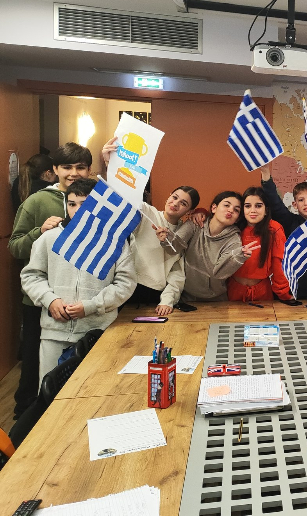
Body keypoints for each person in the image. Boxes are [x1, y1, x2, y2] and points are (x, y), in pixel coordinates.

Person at [20, 179, 136, 384]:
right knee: (50, 393)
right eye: (72, 204)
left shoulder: (115, 242)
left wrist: (92, 306)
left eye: (85, 204)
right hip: (54, 332)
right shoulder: (49, 238)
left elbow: (125, 282)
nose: (77, 210)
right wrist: (50, 300)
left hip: (98, 331)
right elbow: (31, 275)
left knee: (94, 390)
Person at [8, 142, 92, 418]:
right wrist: (38, 232)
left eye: (80, 167)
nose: (74, 173)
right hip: (41, 302)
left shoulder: (97, 201)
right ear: (54, 169)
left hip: (83, 306)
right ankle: (27, 422)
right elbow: (15, 246)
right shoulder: (37, 201)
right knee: (34, 368)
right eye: (67, 167)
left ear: (89, 170)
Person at [158, 191, 258, 302]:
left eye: (236, 210)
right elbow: (174, 248)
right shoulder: (195, 223)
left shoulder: (234, 240)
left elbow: (219, 273)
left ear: (237, 219)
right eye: (226, 205)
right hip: (185, 294)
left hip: (216, 298)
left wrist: (238, 256)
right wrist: (166, 238)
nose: (230, 210)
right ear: (214, 208)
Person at [260, 164, 307, 308]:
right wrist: (265, 174)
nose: (306, 203)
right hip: (290, 290)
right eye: (301, 200)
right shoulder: (290, 221)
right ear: (295, 204)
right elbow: (275, 202)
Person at [126, 186, 200, 315]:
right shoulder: (147, 212)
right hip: (128, 287)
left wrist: (167, 300)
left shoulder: (183, 234)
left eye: (183, 203)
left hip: (155, 296)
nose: (175, 204)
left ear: (190, 211)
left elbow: (177, 273)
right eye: (174, 197)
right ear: (169, 196)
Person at [227, 186, 293, 303]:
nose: (253, 210)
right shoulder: (233, 226)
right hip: (233, 290)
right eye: (248, 206)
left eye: (258, 206)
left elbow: (279, 263)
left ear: (266, 210)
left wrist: (283, 294)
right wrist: (200, 212)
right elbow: (214, 219)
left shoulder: (274, 228)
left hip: (262, 291)